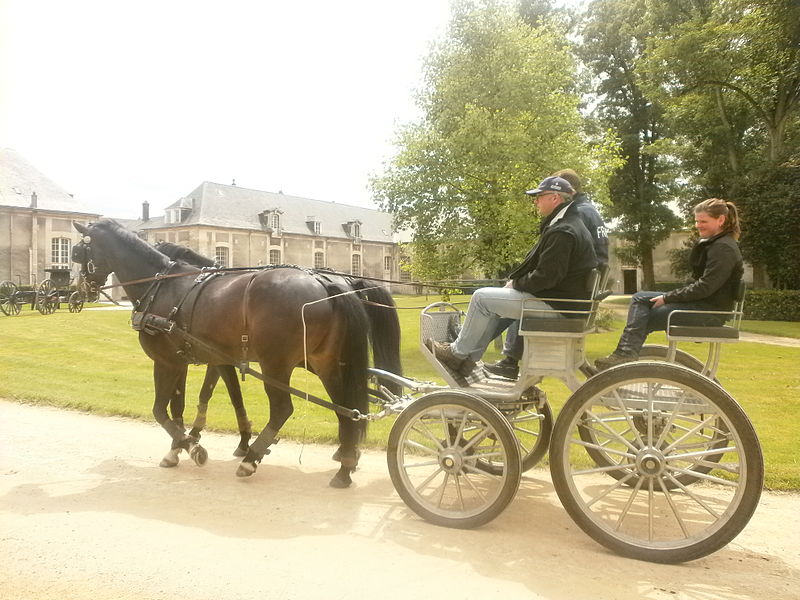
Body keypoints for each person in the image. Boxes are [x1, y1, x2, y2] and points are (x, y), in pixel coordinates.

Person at [429, 176, 598, 376]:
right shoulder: (570, 224)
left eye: (539, 196)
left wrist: (516, 284)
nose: (536, 201)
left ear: (554, 198)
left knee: (481, 298)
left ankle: (457, 354)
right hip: (563, 305)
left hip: (557, 307)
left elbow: (546, 277)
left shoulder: (564, 231)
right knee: (492, 303)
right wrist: (516, 284)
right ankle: (467, 361)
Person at [487, 168, 609, 379]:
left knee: (524, 297)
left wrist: (525, 282)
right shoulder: (589, 210)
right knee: (521, 293)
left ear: (560, 193)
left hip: (573, 288)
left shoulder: (576, 213)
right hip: (585, 286)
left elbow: (566, 254)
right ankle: (496, 351)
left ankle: (502, 357)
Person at [595, 198, 743, 370]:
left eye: (703, 221)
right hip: (704, 306)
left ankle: (625, 354)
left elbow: (705, 287)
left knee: (644, 315)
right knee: (640, 298)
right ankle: (625, 353)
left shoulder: (723, 248)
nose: (698, 225)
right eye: (696, 221)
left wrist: (667, 297)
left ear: (721, 220)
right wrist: (670, 297)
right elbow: (703, 285)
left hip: (709, 312)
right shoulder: (718, 244)